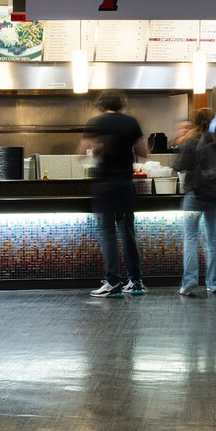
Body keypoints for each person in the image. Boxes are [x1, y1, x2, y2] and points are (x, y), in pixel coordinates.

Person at [80, 90, 148, 298]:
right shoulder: (131, 122)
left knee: (108, 232)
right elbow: (144, 152)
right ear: (121, 103)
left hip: (106, 185)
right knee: (127, 231)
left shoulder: (96, 122)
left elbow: (82, 153)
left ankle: (113, 282)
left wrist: (98, 149)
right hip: (126, 184)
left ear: (101, 105)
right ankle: (135, 281)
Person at [173, 109, 216, 296]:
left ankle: (189, 284)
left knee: (191, 238)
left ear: (196, 122)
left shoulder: (191, 140)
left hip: (195, 194)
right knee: (212, 239)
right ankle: (215, 284)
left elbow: (179, 165)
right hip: (214, 194)